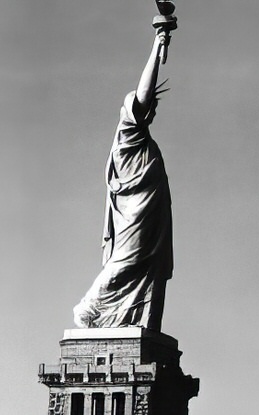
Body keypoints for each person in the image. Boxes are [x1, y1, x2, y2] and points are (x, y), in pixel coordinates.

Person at [73, 27, 174, 331]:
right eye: (147, 108)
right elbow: (142, 96)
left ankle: (133, 321)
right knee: (126, 262)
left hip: (150, 223)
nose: (150, 110)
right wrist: (158, 47)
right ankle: (91, 306)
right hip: (135, 218)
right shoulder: (129, 134)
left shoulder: (143, 142)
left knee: (144, 269)